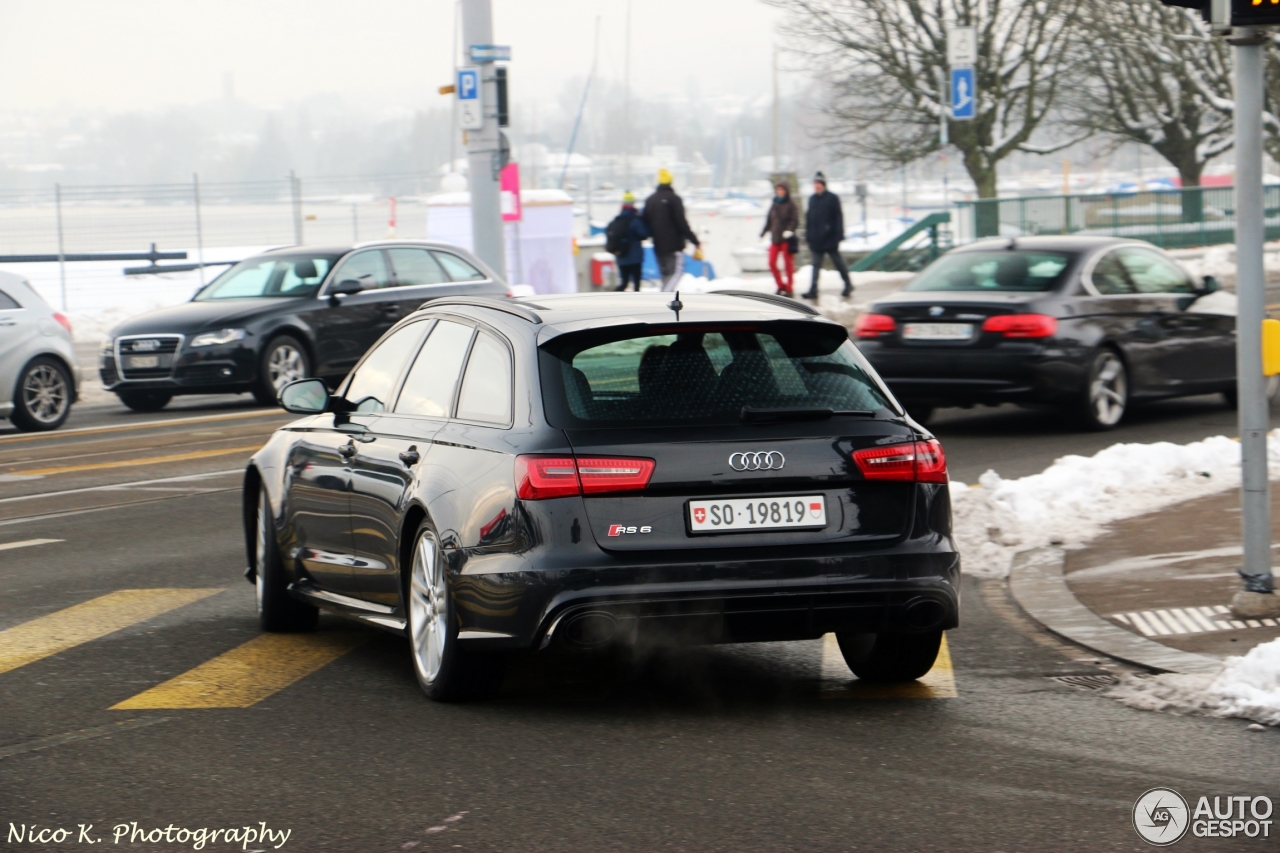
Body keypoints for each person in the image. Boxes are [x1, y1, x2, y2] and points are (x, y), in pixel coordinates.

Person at [642, 168, 701, 291]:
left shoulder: (650, 200)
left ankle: (667, 302)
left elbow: (645, 222)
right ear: (671, 182)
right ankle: (664, 298)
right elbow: (682, 223)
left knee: (665, 276)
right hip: (674, 247)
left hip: (658, 246)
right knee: (676, 273)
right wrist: (695, 241)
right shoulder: (674, 199)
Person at [804, 171, 852, 300]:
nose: (816, 186)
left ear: (824, 184)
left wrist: (839, 235)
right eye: (815, 183)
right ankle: (813, 290)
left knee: (838, 263)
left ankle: (848, 284)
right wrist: (808, 236)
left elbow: (838, 218)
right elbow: (809, 219)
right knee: (815, 266)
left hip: (830, 238)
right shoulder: (812, 199)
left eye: (819, 183)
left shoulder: (832, 198)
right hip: (816, 239)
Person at [605, 191, 650, 291]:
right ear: (633, 203)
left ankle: (612, 299)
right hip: (635, 258)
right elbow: (644, 234)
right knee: (636, 284)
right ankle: (636, 304)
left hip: (621, 257)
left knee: (624, 283)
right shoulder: (635, 219)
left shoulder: (617, 219)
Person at [761, 182, 799, 296]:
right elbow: (769, 220)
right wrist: (763, 232)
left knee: (788, 264)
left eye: (782, 190)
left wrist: (789, 230)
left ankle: (789, 287)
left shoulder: (791, 205)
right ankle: (780, 285)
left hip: (787, 239)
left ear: (786, 191)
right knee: (771, 262)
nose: (780, 192)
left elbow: (795, 220)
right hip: (775, 238)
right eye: (778, 190)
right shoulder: (774, 204)